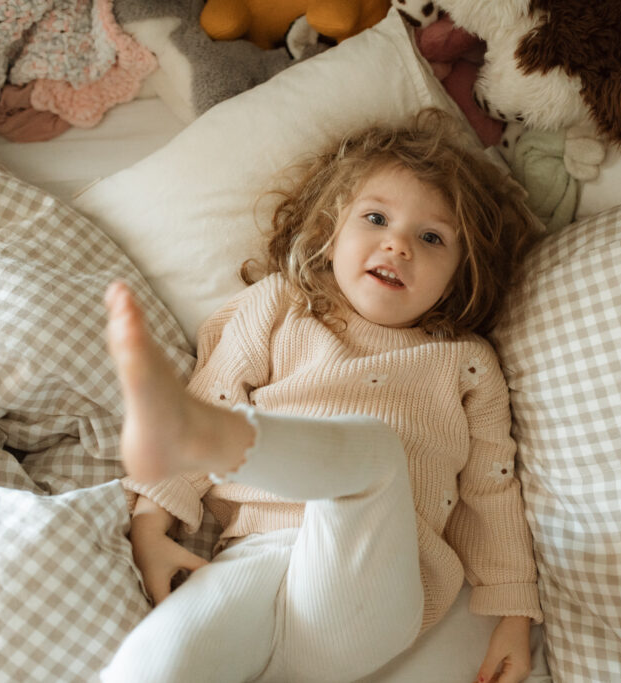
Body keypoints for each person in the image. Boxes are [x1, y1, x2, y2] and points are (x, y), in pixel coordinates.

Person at [101, 109, 543, 683]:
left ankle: (206, 434)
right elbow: (216, 384)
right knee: (150, 665)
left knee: (375, 458)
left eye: (431, 237)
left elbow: (491, 490)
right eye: (377, 218)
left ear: (462, 275)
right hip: (255, 559)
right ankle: (197, 433)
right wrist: (150, 524)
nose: (398, 245)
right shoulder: (282, 303)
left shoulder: (465, 362)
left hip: (371, 590)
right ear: (330, 233)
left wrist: (513, 612)